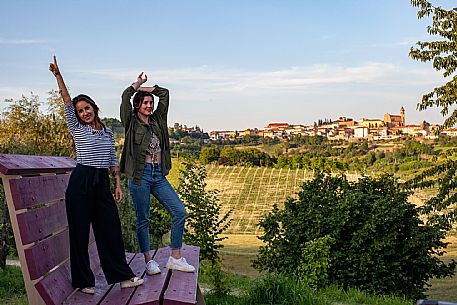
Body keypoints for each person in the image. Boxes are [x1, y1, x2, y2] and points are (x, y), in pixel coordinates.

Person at [49, 56, 144, 294]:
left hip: (101, 181)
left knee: (110, 229)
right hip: (81, 181)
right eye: (80, 111)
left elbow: (112, 160)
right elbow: (66, 101)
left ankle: (122, 277)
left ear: (94, 108)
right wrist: (59, 76)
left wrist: (118, 185)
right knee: (80, 231)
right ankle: (83, 282)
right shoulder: (76, 128)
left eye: (87, 108)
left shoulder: (107, 132)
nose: (84, 113)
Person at [120, 73, 195, 275]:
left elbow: (165, 93)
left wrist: (145, 89)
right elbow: (125, 95)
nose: (149, 106)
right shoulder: (131, 122)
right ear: (137, 105)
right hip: (139, 176)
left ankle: (175, 257)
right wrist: (136, 86)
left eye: (150, 103)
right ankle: (148, 261)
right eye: (145, 103)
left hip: (158, 175)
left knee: (179, 212)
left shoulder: (158, 120)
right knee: (143, 219)